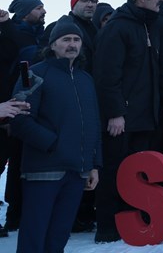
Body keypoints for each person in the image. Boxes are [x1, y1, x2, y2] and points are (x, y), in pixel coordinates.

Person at [10, 20, 100, 252]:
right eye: (66, 40)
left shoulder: (86, 79)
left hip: (77, 171)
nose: (72, 45)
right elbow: (19, 120)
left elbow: (93, 124)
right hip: (44, 170)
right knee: (34, 235)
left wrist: (94, 164)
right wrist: (53, 144)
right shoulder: (33, 74)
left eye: (76, 40)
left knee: (59, 235)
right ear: (52, 45)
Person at [91, 0, 163, 243]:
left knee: (136, 174)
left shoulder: (150, 25)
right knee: (114, 170)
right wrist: (115, 112)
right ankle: (108, 227)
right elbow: (106, 74)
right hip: (121, 118)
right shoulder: (118, 27)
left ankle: (132, 221)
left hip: (145, 117)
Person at [42, 0, 100, 73]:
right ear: (74, 4)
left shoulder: (96, 29)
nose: (90, 4)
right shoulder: (56, 27)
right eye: (84, 0)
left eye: (94, 1)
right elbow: (43, 57)